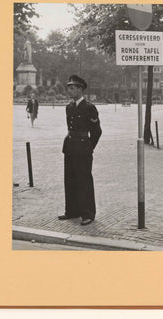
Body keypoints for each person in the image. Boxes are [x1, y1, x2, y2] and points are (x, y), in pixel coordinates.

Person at [58, 75, 102, 226]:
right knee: (69, 180)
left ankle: (87, 213)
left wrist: (89, 147)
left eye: (72, 88)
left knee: (84, 181)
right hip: (70, 147)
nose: (69, 91)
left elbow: (97, 131)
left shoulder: (89, 107)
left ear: (80, 89)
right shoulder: (69, 107)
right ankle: (72, 211)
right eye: (68, 88)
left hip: (83, 149)